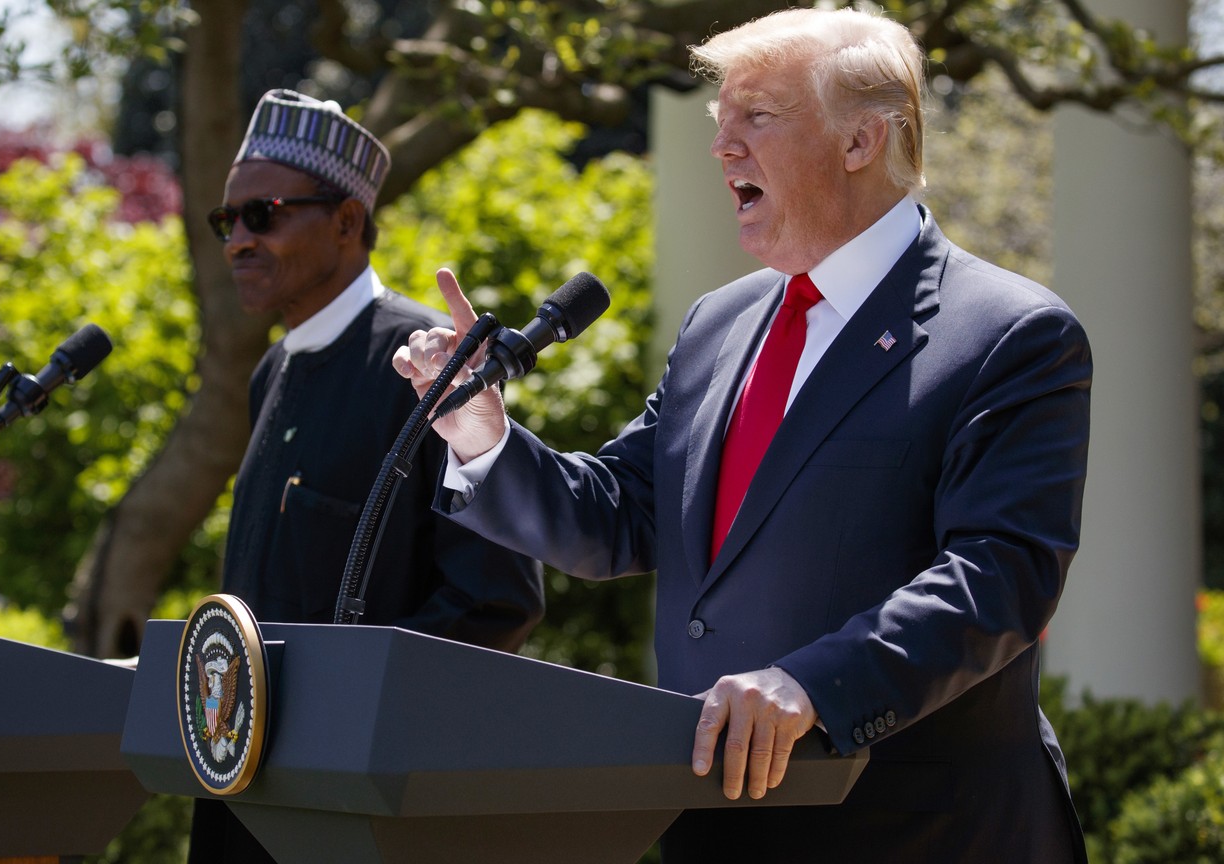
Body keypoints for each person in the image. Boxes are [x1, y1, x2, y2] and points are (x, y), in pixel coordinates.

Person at [394, 8, 1091, 862]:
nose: (723, 148)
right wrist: (482, 434)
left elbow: (999, 576)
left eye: (757, 118)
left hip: (917, 831)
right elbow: (620, 515)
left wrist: (814, 687)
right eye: (720, 124)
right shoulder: (718, 325)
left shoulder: (1009, 334)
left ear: (861, 141)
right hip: (715, 828)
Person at [190, 89, 545, 863]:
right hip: (241, 790)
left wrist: (339, 711)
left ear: (347, 221)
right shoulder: (272, 372)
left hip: (357, 811)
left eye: (264, 215)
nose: (237, 241)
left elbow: (494, 598)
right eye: (228, 221)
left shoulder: (424, 368)